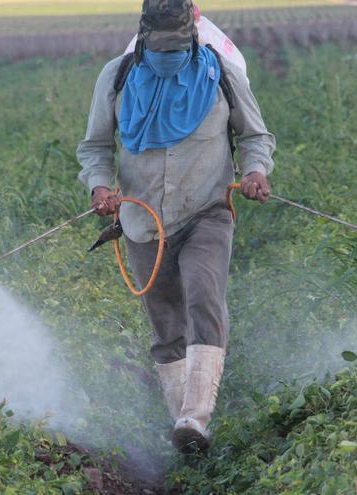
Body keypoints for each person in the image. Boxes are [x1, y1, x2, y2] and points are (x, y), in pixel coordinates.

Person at [76, 0, 275, 453]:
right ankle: (185, 431)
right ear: (144, 38)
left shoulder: (221, 73)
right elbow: (95, 147)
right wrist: (99, 187)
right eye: (160, 47)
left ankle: (195, 416)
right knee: (166, 326)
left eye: (177, 48)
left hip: (207, 209)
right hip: (143, 219)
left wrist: (256, 172)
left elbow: (255, 136)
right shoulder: (118, 76)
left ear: (192, 37)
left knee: (204, 295)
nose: (168, 55)